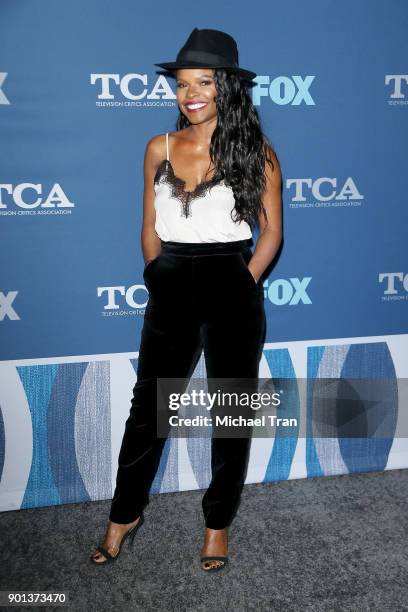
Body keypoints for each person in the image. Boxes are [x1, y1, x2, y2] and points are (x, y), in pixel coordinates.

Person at [91, 27, 282, 572]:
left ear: (227, 87)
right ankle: (123, 515)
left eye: (202, 81)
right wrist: (157, 272)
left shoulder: (257, 154)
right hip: (172, 277)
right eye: (181, 84)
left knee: (231, 408)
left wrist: (244, 281)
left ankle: (217, 524)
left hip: (231, 279)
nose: (189, 93)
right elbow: (149, 225)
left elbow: (270, 232)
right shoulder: (159, 146)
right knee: (149, 406)